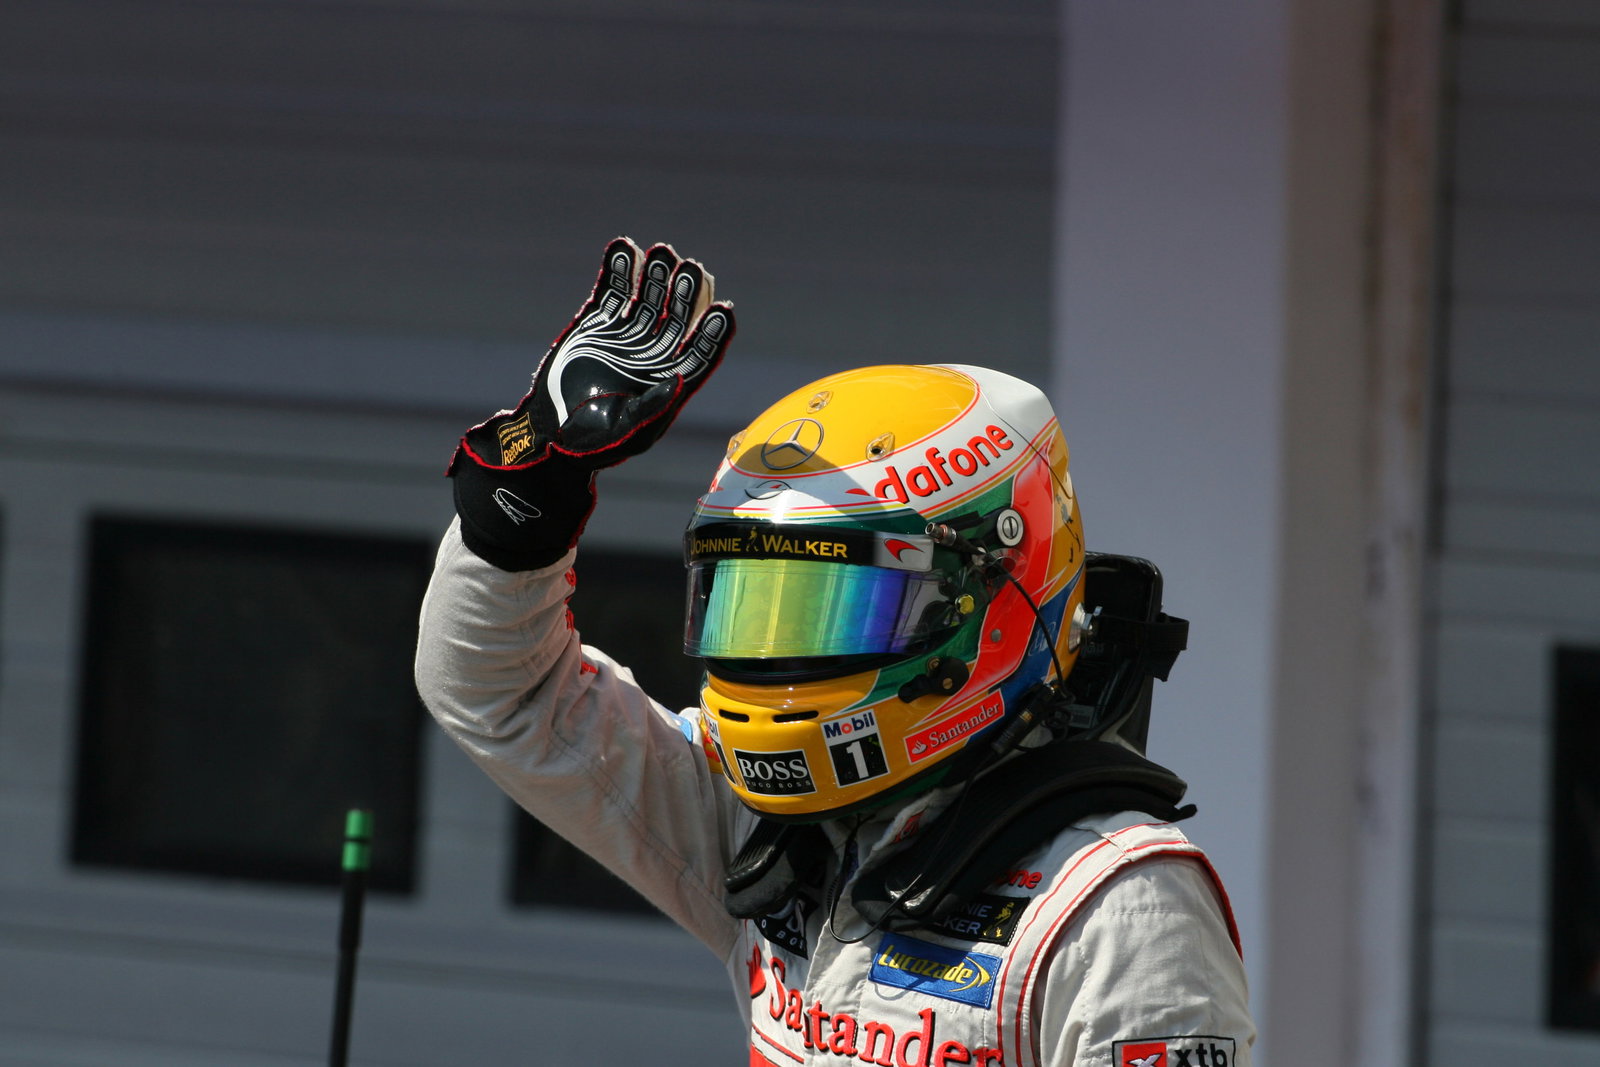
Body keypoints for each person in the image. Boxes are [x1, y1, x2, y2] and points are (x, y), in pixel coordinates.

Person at [415, 237, 1254, 1067]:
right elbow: (501, 695)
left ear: (990, 602)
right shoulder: (771, 822)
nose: (782, 659)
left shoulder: (1119, 907)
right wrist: (526, 489)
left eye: (842, 605)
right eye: (757, 604)